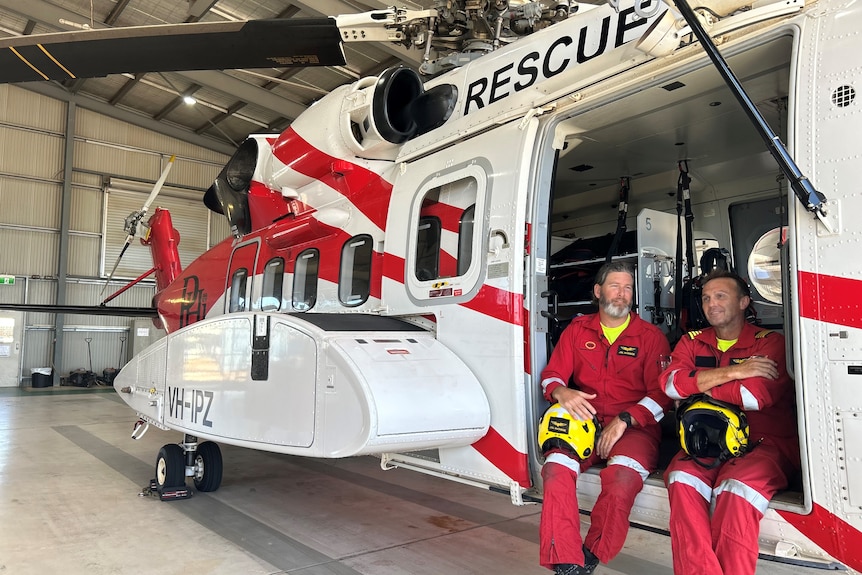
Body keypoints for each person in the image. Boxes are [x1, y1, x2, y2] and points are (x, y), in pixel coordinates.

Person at [661, 270, 800, 575]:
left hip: (764, 444)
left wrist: (696, 385)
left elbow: (755, 397)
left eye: (721, 295)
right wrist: (736, 372)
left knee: (735, 490)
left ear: (743, 302)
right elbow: (670, 385)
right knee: (681, 478)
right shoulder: (691, 342)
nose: (711, 303)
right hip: (706, 441)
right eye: (707, 298)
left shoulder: (771, 343)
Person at [539, 261, 672, 575]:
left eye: (628, 288)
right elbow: (551, 376)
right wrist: (561, 392)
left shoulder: (651, 337)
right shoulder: (577, 330)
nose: (622, 294)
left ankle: (592, 552)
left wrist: (626, 419)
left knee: (622, 480)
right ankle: (566, 560)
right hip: (583, 421)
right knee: (556, 470)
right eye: (615, 286)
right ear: (598, 291)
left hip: (634, 428)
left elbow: (663, 395)